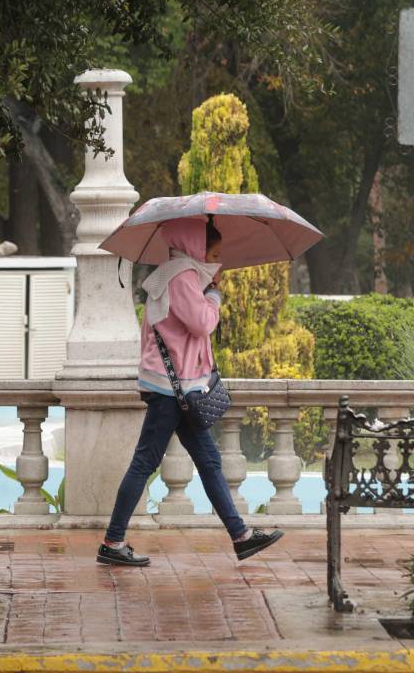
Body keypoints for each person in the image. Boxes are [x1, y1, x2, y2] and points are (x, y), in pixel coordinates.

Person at [98, 216, 283, 567]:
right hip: (172, 389)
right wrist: (213, 294)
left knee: (209, 461)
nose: (218, 260)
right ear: (195, 246)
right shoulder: (181, 276)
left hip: (177, 388)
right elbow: (201, 324)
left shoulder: (177, 274)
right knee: (145, 462)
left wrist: (206, 287)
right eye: (213, 251)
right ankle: (113, 540)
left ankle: (240, 536)